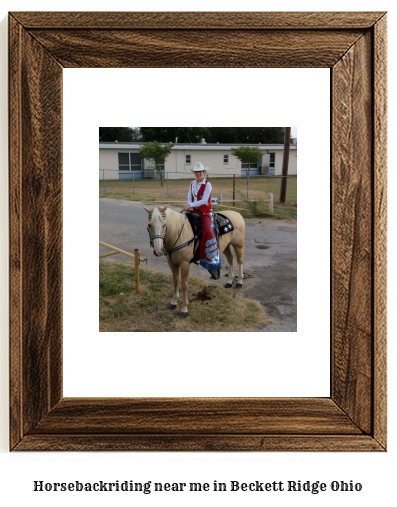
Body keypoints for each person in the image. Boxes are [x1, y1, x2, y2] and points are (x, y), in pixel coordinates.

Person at [183, 162, 221, 279]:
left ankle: (211, 259)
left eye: (200, 171)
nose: (198, 173)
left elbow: (204, 201)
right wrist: (189, 205)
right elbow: (190, 196)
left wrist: (191, 205)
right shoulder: (192, 183)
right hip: (194, 210)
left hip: (204, 211)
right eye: (196, 172)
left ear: (204, 173)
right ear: (194, 173)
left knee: (208, 231)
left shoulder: (208, 184)